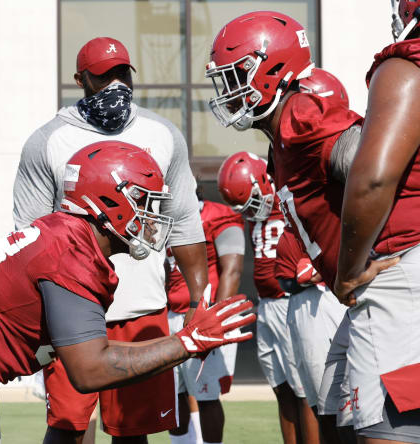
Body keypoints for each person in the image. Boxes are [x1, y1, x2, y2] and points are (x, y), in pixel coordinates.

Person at [0, 141, 256, 443]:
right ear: (108, 201)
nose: (152, 215)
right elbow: (90, 370)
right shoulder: (71, 252)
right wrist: (187, 342)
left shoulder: (69, 236)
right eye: (143, 201)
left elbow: (93, 356)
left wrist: (182, 341)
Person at [13, 37, 208, 443]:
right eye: (104, 76)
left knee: (133, 432)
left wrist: (197, 299)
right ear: (80, 80)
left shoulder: (161, 132)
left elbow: (186, 219)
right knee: (69, 428)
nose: (116, 84)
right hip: (74, 307)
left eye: (122, 74)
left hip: (142, 303)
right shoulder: (48, 140)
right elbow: (28, 235)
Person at [206, 12, 371, 443]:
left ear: (271, 67)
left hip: (375, 294)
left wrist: (369, 260)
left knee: (377, 424)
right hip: (349, 298)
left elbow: (372, 166)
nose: (227, 92)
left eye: (235, 76)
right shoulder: (279, 137)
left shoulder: (302, 114)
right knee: (333, 413)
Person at [333, 2, 420, 442]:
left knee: (396, 431)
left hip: (418, 266)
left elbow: (373, 180)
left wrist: (349, 271)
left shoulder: (409, 67)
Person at [217, 151, 307, 444]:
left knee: (304, 390)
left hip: (294, 299)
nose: (250, 212)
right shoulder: (257, 213)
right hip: (268, 305)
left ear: (265, 182)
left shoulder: (291, 202)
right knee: (281, 388)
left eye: (252, 202)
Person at [166, 184, 245, 444]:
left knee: (206, 393)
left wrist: (216, 320)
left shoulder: (217, 216)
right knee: (174, 395)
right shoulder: (163, 221)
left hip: (204, 315)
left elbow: (231, 270)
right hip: (169, 314)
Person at [274, 228, 346, 444]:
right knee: (314, 397)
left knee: (330, 399)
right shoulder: (290, 221)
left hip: (320, 299)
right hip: (297, 302)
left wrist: (322, 270)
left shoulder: (325, 213)